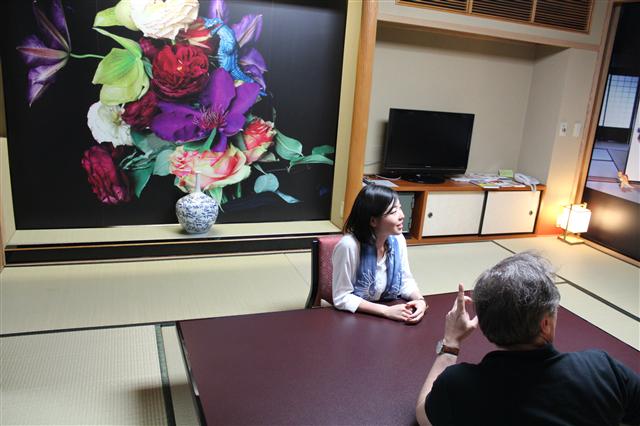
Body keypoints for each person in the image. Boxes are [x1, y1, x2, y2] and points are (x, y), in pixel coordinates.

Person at [416, 252, 640, 426]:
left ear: (483, 323)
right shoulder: (603, 369)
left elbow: (423, 414)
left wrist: (451, 343)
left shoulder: (459, 384)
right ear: (546, 324)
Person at [332, 184, 427, 323]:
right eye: (394, 211)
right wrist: (386, 311)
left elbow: (405, 280)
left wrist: (419, 300)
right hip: (357, 317)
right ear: (373, 220)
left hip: (390, 312)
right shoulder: (349, 246)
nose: (402, 215)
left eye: (400, 208)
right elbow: (341, 297)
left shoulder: (398, 240)